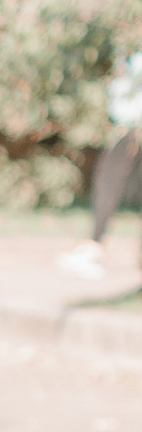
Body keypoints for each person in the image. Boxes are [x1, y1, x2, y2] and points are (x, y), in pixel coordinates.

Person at [58, 46, 142, 280]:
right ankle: (94, 246)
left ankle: (94, 245)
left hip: (133, 127)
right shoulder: (129, 51)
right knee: (109, 181)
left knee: (109, 180)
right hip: (130, 126)